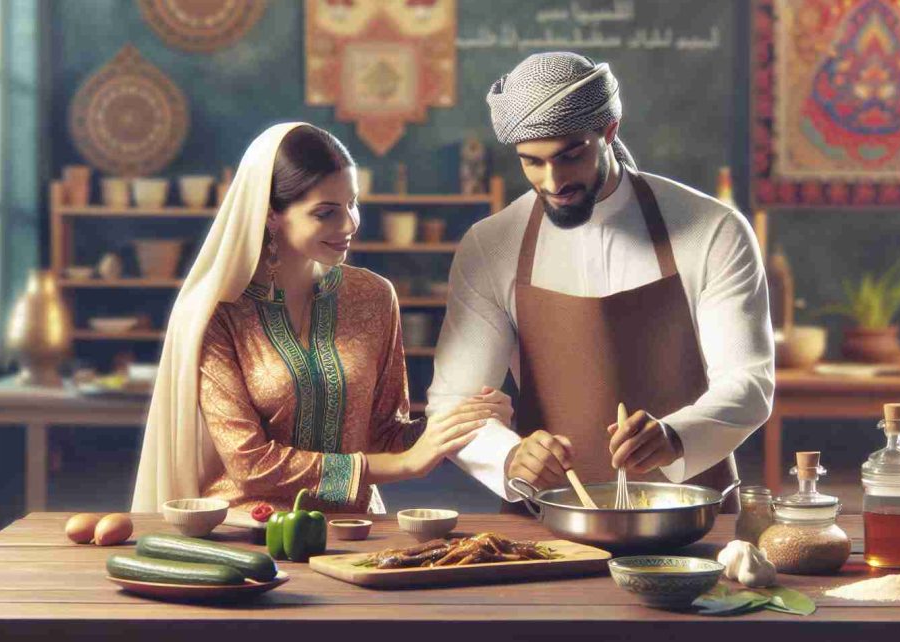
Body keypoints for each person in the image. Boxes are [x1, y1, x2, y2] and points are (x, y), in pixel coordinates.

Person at [427, 53, 775, 512]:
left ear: (608, 131)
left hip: (692, 515)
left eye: (570, 156)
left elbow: (748, 382)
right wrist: (508, 455)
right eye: (531, 162)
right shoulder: (492, 244)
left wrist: (675, 437)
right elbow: (455, 403)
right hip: (549, 524)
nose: (553, 181)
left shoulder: (712, 229)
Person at [132, 123, 511, 513]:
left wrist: (464, 423)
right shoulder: (219, 312)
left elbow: (384, 435)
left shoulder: (374, 297)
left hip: (355, 532)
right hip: (249, 535)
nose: (349, 224)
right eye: (326, 212)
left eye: (353, 203)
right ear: (270, 214)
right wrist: (403, 466)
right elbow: (249, 463)